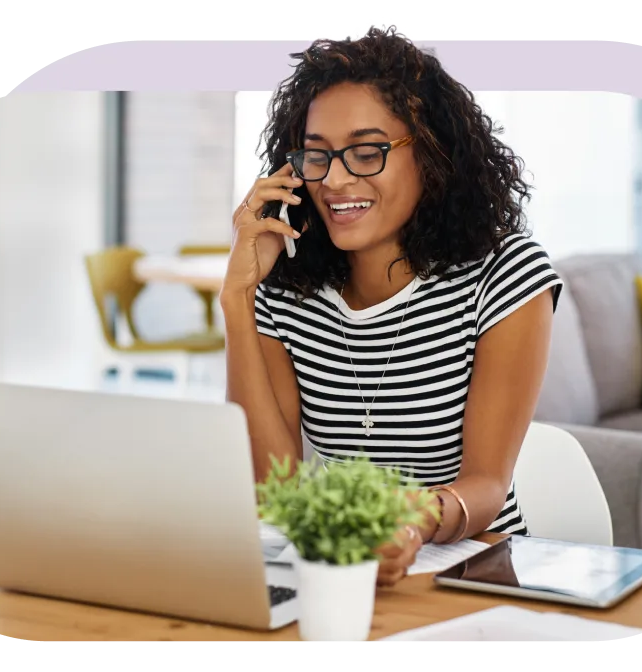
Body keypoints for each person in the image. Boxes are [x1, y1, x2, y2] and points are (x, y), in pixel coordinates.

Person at [222, 25, 563, 588]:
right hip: (342, 572)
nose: (333, 180)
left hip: (474, 573)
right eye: (317, 156)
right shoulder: (287, 292)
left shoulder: (504, 274)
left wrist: (412, 521)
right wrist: (239, 297)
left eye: (365, 152)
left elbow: (486, 481)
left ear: (431, 153)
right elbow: (273, 490)